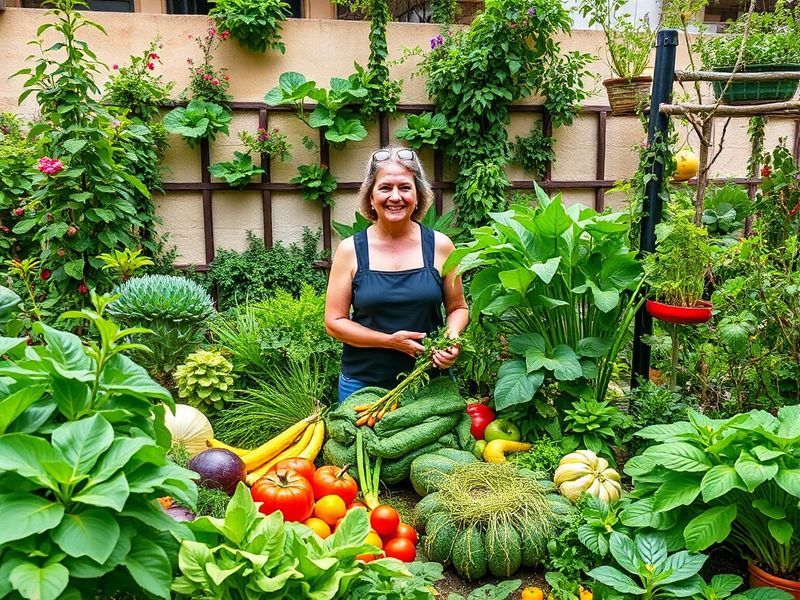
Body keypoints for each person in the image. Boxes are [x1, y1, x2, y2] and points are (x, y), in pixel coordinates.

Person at [325, 146, 469, 402]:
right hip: (362, 387)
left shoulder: (441, 246)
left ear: (418, 195)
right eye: (384, 188)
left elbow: (458, 307)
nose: (395, 197)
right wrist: (389, 341)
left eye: (404, 187)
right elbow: (334, 323)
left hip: (431, 383)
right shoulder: (350, 251)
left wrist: (451, 338)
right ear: (370, 197)